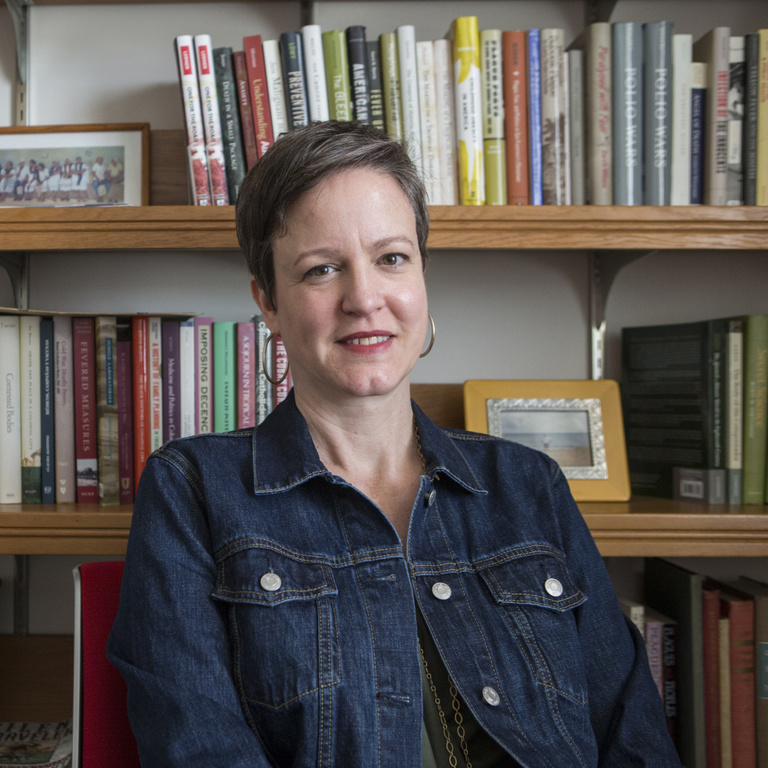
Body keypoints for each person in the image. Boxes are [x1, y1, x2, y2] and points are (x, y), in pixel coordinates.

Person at [108, 121, 682, 767]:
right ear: (267, 301)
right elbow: (198, 748)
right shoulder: (192, 488)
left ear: (423, 277)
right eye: (322, 269)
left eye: (391, 258)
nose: (365, 298)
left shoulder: (529, 484)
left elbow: (632, 734)